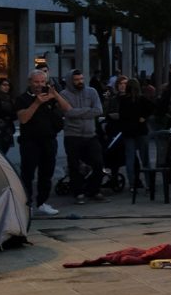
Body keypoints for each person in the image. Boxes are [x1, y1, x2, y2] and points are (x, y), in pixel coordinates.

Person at [15, 69, 68, 216]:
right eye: (36, 82)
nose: (40, 85)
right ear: (30, 82)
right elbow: (23, 119)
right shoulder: (22, 99)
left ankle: (42, 202)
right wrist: (37, 103)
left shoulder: (49, 97)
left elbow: (67, 109)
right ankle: (27, 205)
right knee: (28, 174)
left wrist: (56, 95)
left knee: (46, 174)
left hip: (49, 140)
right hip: (30, 142)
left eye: (42, 82)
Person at [61, 71, 105, 202]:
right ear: (70, 81)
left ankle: (94, 190)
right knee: (74, 165)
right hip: (72, 135)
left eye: (81, 79)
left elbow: (98, 110)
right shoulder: (64, 94)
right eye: (76, 80)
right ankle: (78, 192)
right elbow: (68, 113)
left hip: (90, 135)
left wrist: (77, 112)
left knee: (98, 163)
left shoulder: (92, 92)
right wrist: (87, 110)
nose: (80, 82)